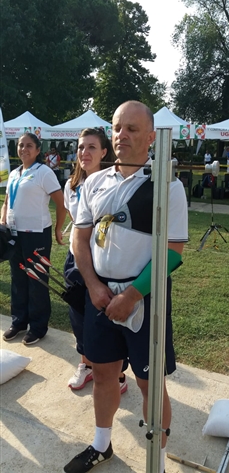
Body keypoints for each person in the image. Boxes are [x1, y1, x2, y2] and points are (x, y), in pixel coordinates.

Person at [63, 101, 188, 473]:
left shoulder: (167, 185)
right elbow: (78, 241)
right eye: (117, 128)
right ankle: (102, 444)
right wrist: (94, 286)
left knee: (150, 385)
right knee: (103, 375)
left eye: (132, 129)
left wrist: (132, 295)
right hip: (99, 298)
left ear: (151, 136)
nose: (122, 135)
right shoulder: (96, 180)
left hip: (145, 302)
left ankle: (158, 462)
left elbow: (174, 252)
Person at [64, 128, 127, 393]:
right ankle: (86, 365)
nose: (84, 152)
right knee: (78, 315)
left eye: (91, 147)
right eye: (80, 147)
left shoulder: (114, 184)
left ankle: (119, 374)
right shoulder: (72, 185)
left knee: (108, 320)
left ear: (104, 152)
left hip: (103, 261)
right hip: (76, 260)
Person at [1, 132, 66, 345]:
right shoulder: (15, 173)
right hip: (15, 234)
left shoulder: (43, 172)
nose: (24, 149)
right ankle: (19, 321)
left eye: (29, 146)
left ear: (38, 150)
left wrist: (58, 229)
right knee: (18, 279)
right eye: (21, 145)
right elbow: (8, 200)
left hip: (37, 234)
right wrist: (3, 222)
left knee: (37, 280)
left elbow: (60, 202)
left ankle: (38, 327)